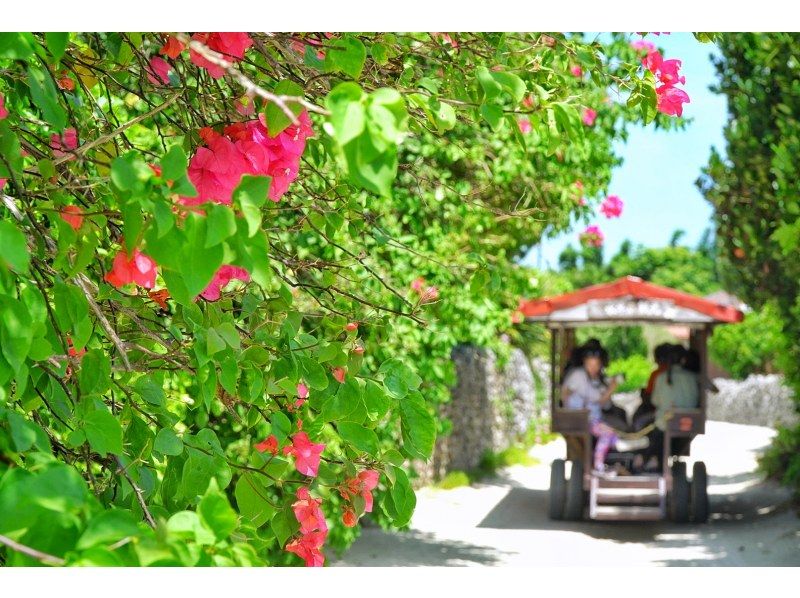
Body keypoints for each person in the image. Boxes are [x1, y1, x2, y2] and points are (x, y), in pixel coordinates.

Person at [561, 343, 621, 472]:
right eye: (590, 365)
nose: (593, 368)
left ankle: (604, 460)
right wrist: (611, 390)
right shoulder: (578, 376)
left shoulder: (598, 380)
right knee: (607, 433)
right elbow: (597, 399)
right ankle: (598, 464)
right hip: (581, 419)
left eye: (596, 365)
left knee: (614, 436)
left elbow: (604, 404)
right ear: (584, 363)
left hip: (593, 418)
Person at [639, 345, 700, 471]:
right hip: (689, 422)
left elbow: (655, 401)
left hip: (665, 424)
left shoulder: (660, 377)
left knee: (651, 427)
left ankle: (648, 459)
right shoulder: (693, 377)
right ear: (683, 360)